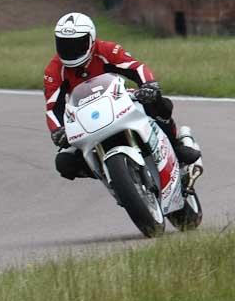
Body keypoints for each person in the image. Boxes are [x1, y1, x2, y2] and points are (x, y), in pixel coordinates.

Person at [44, 12, 200, 180]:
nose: (70, 50)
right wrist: (58, 130)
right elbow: (53, 108)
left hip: (118, 100)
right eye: (64, 44)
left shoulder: (106, 49)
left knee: (160, 103)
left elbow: (136, 68)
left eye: (77, 44)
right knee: (64, 163)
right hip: (85, 116)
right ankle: (112, 175)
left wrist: (149, 85)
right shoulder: (54, 70)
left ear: (91, 39)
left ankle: (176, 147)